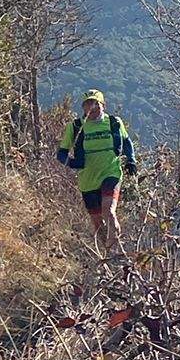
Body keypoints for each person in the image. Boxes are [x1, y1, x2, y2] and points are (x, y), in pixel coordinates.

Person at [56, 89, 137, 257]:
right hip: (88, 180)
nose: (91, 108)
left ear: (103, 106)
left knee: (109, 211)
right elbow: (61, 153)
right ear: (83, 108)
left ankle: (117, 254)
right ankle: (108, 253)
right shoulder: (76, 127)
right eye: (87, 104)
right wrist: (71, 163)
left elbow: (127, 142)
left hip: (111, 172)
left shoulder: (114, 122)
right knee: (97, 222)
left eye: (95, 104)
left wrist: (131, 160)